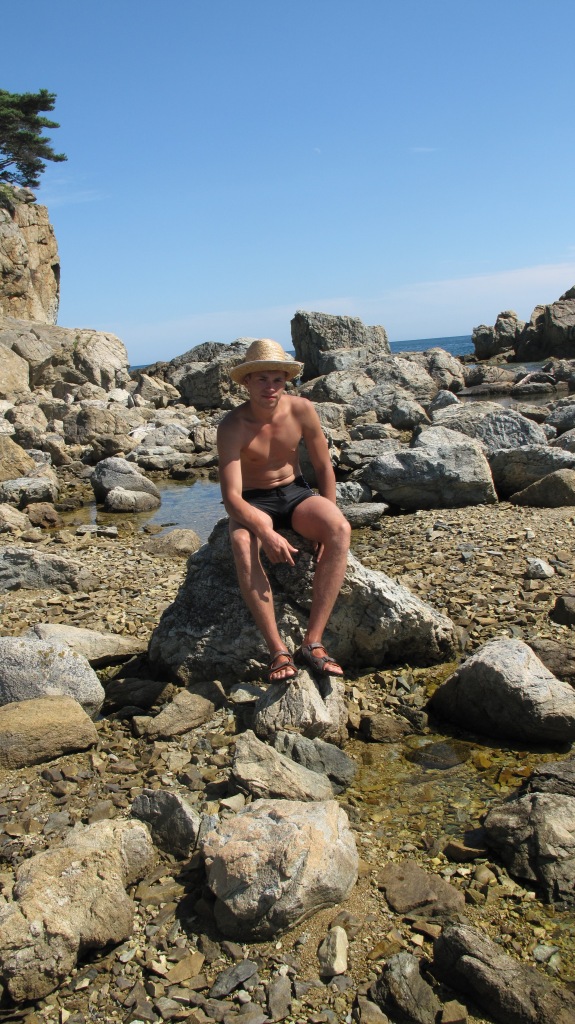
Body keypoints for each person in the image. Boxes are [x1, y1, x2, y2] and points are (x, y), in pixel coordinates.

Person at [217, 338, 351, 683]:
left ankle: (313, 642)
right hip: (251, 500)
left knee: (339, 529)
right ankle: (277, 650)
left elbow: (323, 467)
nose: (270, 387)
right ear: (247, 381)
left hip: (294, 492)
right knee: (242, 544)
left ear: (286, 381)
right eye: (262, 379)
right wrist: (265, 532)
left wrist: (328, 517)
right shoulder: (232, 426)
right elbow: (231, 497)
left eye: (277, 379)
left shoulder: (301, 409)